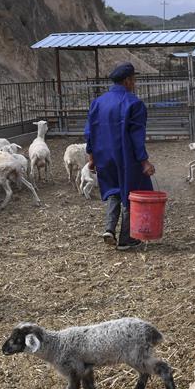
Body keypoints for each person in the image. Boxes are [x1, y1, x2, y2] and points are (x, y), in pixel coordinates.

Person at [85, 62, 155, 251]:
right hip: (126, 158)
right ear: (127, 81)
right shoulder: (134, 103)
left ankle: (109, 229)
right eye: (134, 80)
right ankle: (126, 239)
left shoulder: (97, 102)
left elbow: (89, 131)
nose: (135, 83)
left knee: (114, 190)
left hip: (103, 156)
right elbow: (136, 136)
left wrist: (91, 157)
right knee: (131, 193)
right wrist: (144, 160)